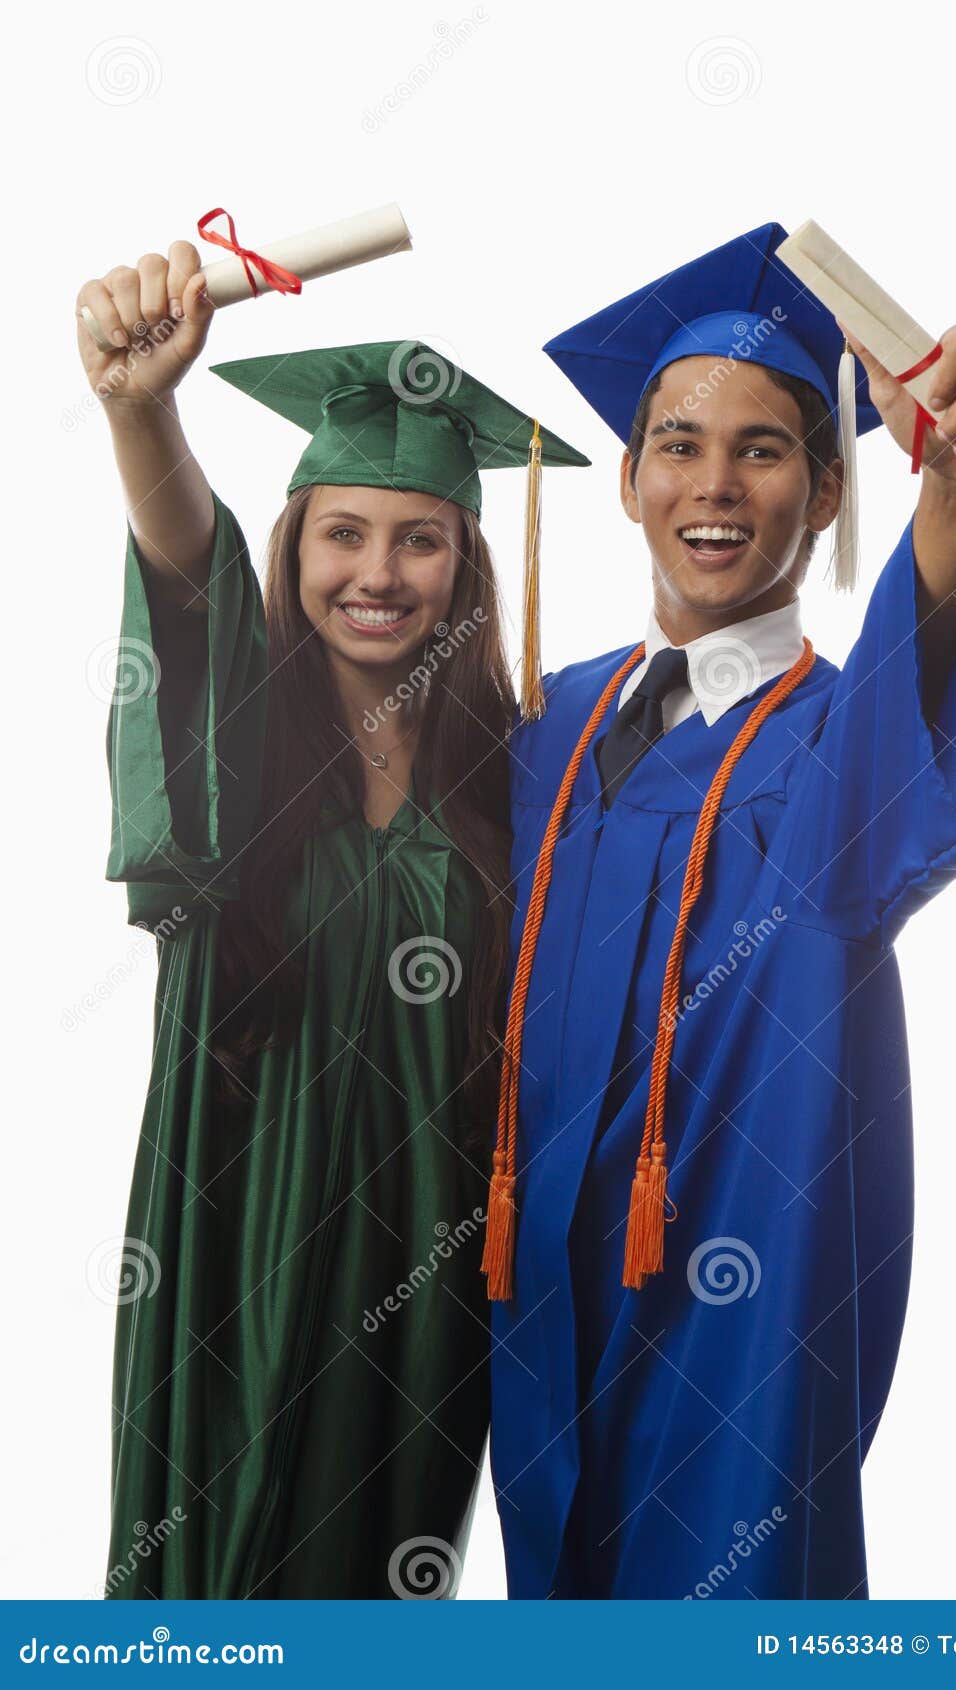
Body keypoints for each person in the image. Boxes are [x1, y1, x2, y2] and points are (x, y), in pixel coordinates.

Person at [481, 221, 956, 1598]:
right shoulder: (543, 722)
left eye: (763, 449)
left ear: (827, 489)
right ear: (628, 480)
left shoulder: (832, 745)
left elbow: (923, 703)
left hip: (729, 1331)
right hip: (529, 1315)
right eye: (678, 444)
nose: (714, 484)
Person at [76, 240, 589, 1598]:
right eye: (341, 532)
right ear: (293, 545)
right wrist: (139, 409)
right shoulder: (238, 752)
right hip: (229, 1240)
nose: (379, 571)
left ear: (467, 566)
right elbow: (187, 575)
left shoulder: (517, 783)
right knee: (209, 1572)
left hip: (422, 1285)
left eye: (420, 538)